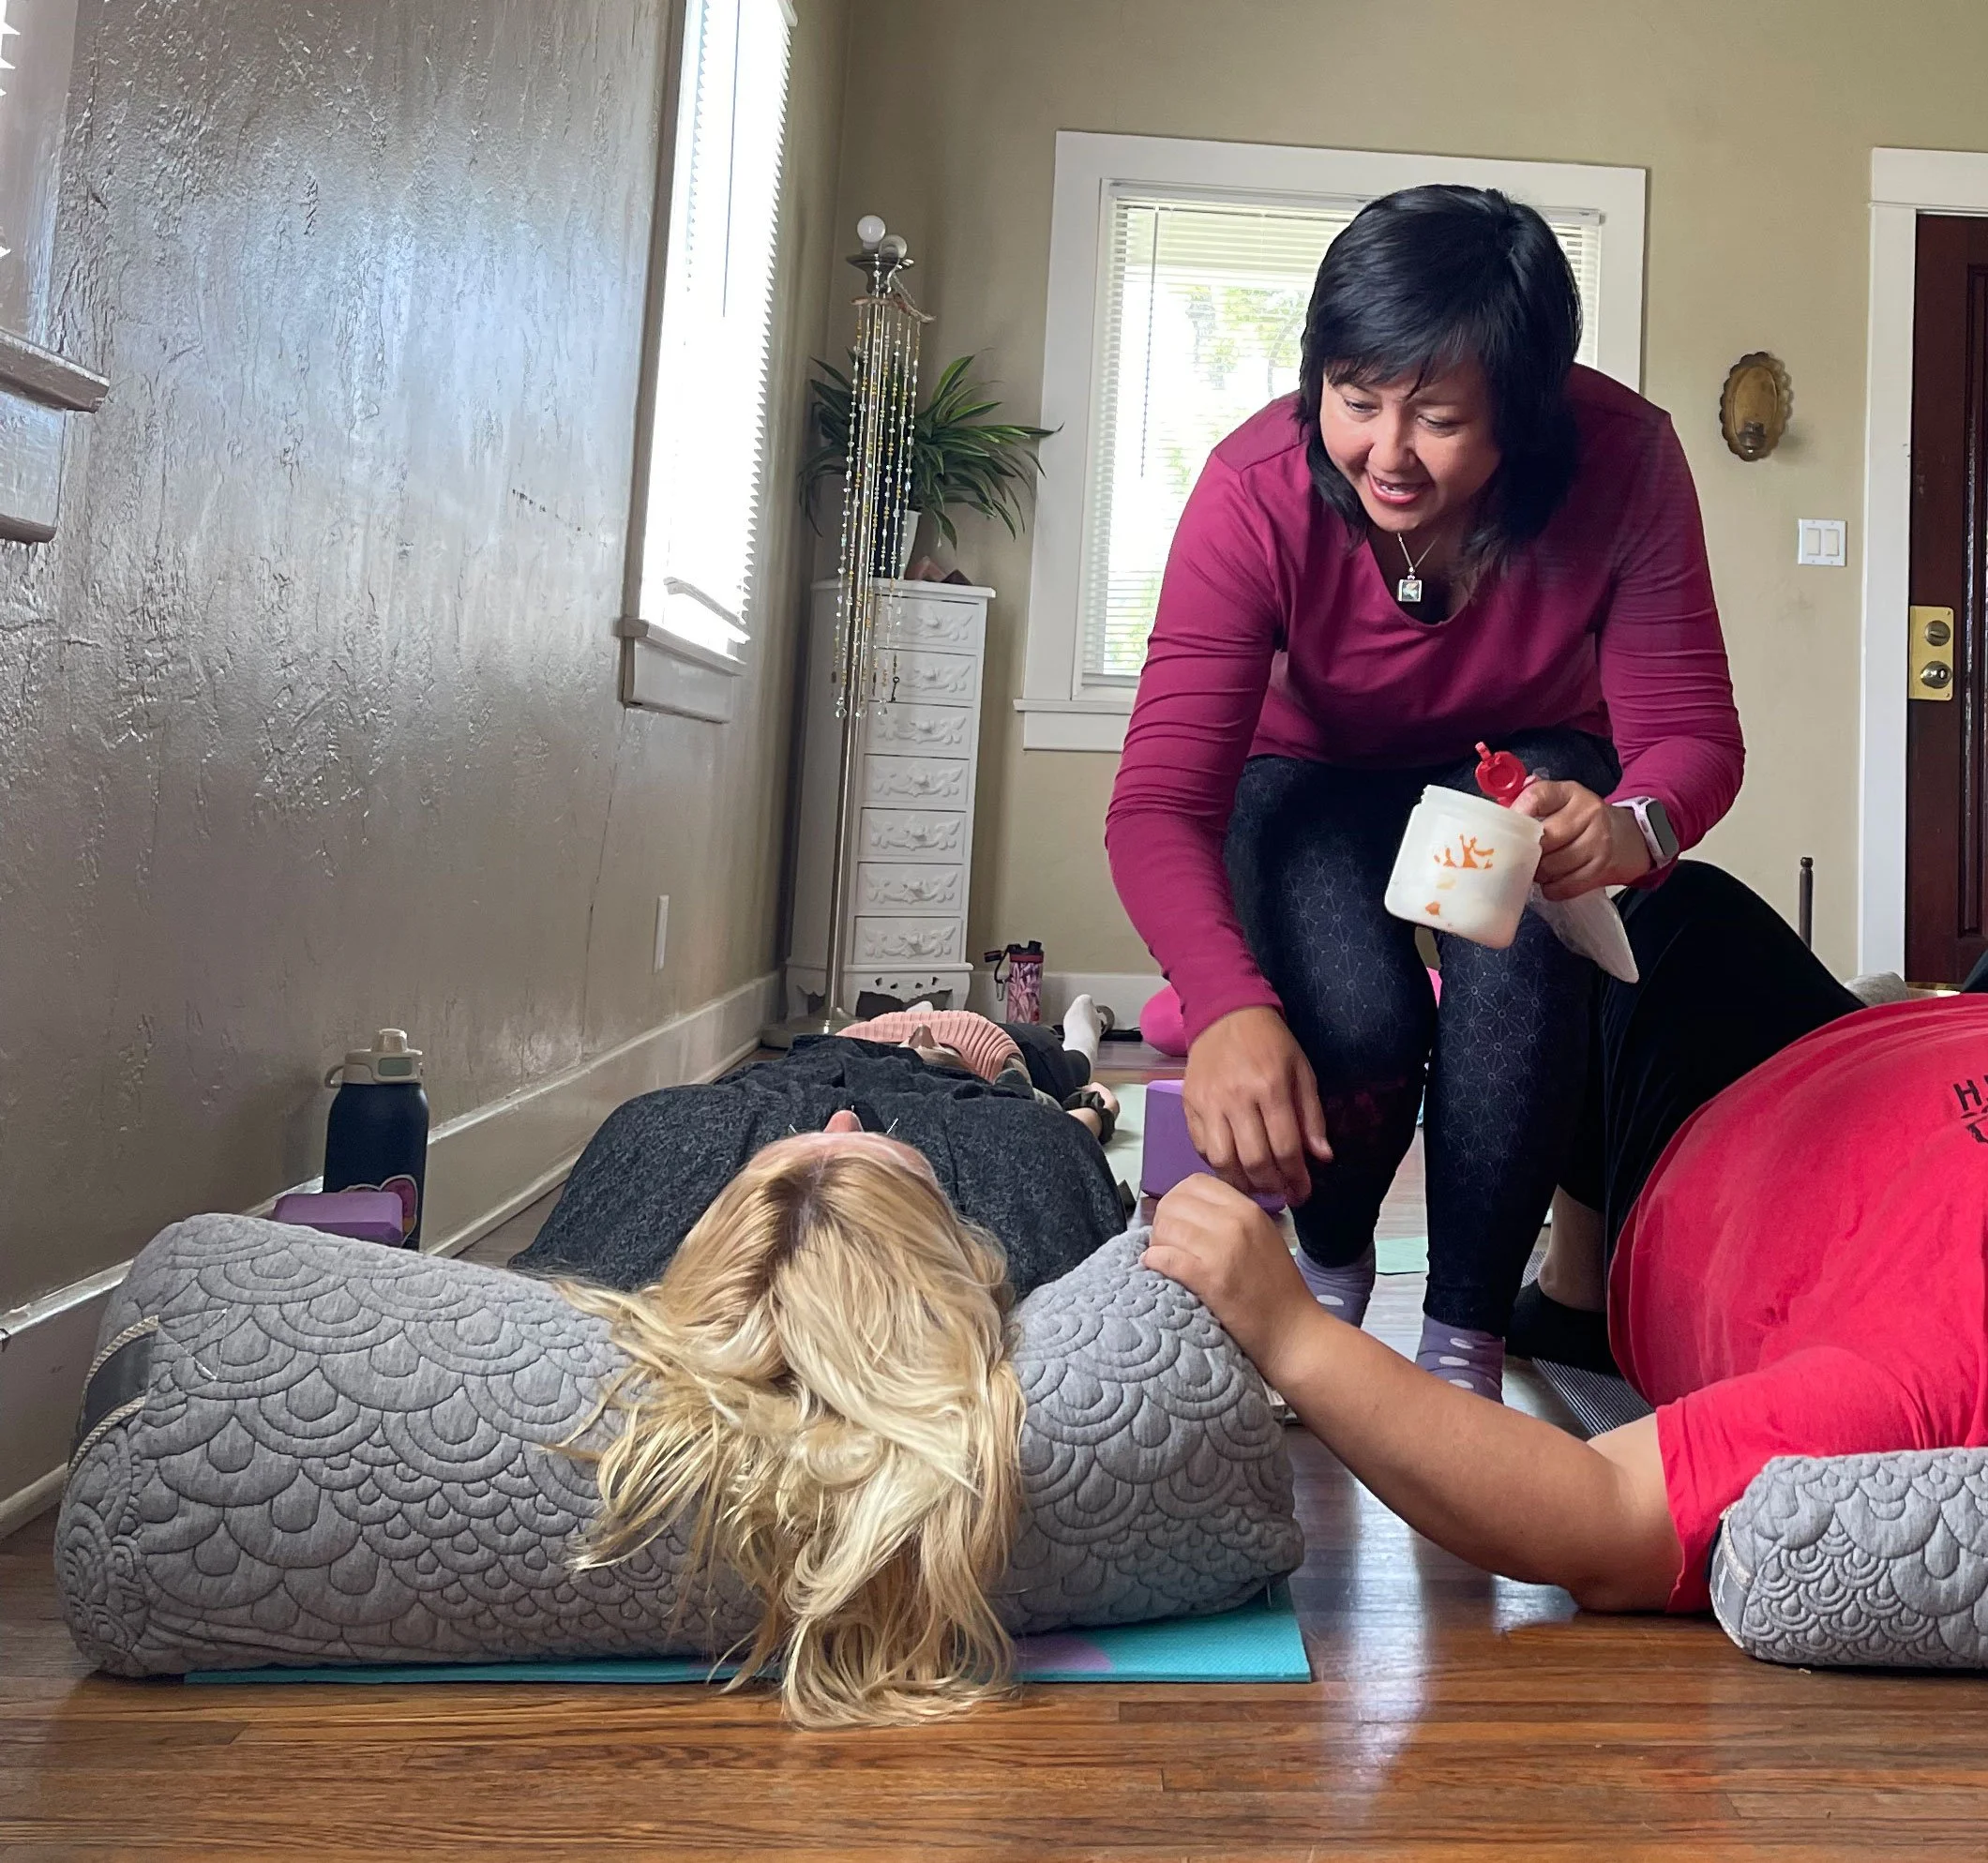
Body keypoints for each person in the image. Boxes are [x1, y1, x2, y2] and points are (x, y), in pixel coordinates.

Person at [1106, 184, 1744, 1402]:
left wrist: (1625, 829)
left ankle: (1462, 1352)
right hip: (1310, 774)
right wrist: (1230, 1001)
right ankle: (1330, 1278)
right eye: (1356, 402)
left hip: (1513, 763)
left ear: (1526, 411)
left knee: (1518, 955)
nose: (1387, 453)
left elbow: (1691, 738)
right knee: (1363, 1023)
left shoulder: (1627, 460)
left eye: (1440, 417)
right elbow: (1159, 804)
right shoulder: (1253, 491)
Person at [1142, 863, 1988, 1614]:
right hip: (1903, 1043)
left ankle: (1574, 1297)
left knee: (1642, 930)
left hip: (1724, 1127)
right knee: (1685, 896)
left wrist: (1294, 1335)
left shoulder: (1927, 1385)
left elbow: (1606, 1509)